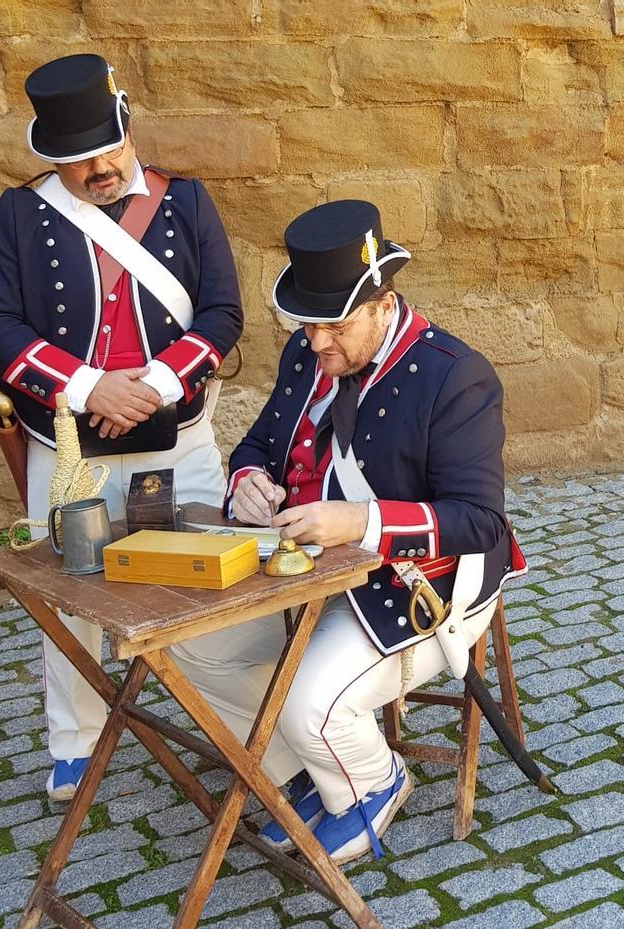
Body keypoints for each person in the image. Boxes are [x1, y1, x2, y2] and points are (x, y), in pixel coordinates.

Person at [170, 200, 525, 863]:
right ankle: (302, 769)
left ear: (383, 304)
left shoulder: (454, 375)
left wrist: (359, 521)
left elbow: (480, 521)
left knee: (308, 700)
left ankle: (373, 778)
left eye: (334, 326)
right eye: (307, 325)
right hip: (308, 571)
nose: (315, 343)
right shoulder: (307, 356)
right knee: (193, 650)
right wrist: (246, 481)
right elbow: (257, 444)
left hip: (420, 587)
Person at [0, 54, 243, 800]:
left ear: (128, 124)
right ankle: (76, 740)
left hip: (177, 435)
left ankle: (237, 721)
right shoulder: (20, 214)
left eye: (109, 150)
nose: (99, 169)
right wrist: (90, 385)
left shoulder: (183, 200)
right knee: (70, 595)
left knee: (215, 582)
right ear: (50, 157)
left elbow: (223, 311)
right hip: (69, 446)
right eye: (78, 160)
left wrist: (154, 384)